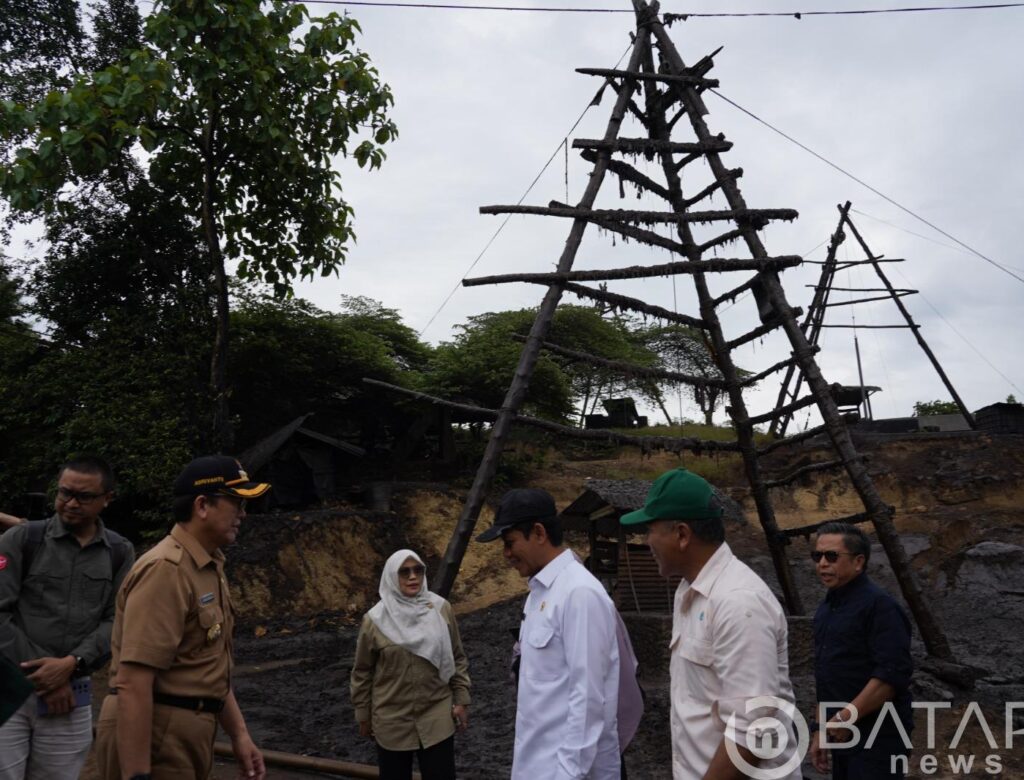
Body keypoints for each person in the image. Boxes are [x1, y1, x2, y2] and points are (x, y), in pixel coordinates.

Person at [93, 455, 269, 780]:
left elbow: (205, 665)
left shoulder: (207, 565)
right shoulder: (166, 570)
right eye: (236, 503)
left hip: (187, 732)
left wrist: (240, 734)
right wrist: (137, 775)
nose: (243, 514)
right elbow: (133, 682)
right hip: (157, 734)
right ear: (202, 505)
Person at [620, 468, 802, 780]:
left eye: (650, 530)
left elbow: (753, 732)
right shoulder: (688, 594)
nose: (646, 541)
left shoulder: (738, 601)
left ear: (681, 534)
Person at [0, 455, 135, 780]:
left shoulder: (118, 553)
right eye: (64, 493)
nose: (71, 503)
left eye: (84, 496)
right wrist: (44, 675)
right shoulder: (22, 540)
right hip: (8, 690)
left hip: (71, 695)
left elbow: (119, 621)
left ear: (107, 499)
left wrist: (71, 665)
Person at [477, 488, 621, 780]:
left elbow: (589, 697)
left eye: (510, 542)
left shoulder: (579, 593)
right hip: (536, 765)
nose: (506, 554)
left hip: (566, 772)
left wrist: (568, 773)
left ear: (539, 533)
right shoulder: (539, 593)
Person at [351, 549, 471, 780]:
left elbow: (457, 657)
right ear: (391, 577)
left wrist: (461, 698)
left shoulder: (440, 609)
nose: (413, 577)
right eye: (404, 572)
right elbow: (363, 671)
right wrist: (363, 715)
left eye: (418, 570)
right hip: (391, 719)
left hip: (436, 714)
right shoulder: (375, 620)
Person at [810, 522, 913, 779]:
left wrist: (846, 718)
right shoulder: (826, 609)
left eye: (831, 556)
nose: (822, 563)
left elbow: (891, 676)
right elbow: (825, 675)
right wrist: (819, 729)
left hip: (878, 736)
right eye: (817, 556)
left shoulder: (880, 607)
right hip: (841, 732)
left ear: (858, 562)